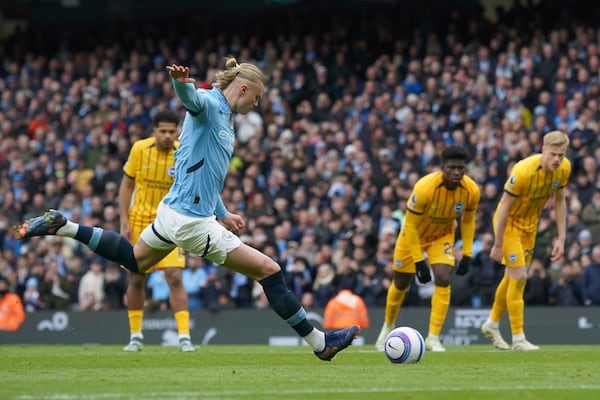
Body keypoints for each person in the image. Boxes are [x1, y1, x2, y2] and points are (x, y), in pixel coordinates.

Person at [12, 57, 359, 361]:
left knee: (136, 261)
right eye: (257, 96)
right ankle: (319, 343)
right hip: (192, 223)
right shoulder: (209, 102)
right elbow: (191, 100)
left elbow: (206, 173)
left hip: (173, 212)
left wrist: (222, 211)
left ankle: (64, 225)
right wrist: (181, 84)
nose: (257, 103)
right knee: (269, 271)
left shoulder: (226, 119)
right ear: (243, 89)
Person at [374, 145, 480, 352]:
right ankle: (388, 326)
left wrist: (467, 253)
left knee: (443, 277)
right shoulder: (424, 188)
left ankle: (433, 337)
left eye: (461, 168)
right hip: (412, 236)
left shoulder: (471, 190)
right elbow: (410, 225)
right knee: (401, 282)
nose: (457, 172)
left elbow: (468, 222)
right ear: (442, 168)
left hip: (442, 235)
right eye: (452, 168)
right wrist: (419, 261)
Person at [480, 130, 571, 351]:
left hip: (530, 227)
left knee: (512, 276)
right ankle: (519, 338)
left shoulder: (564, 169)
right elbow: (503, 208)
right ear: (543, 150)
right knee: (520, 275)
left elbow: (559, 202)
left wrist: (561, 236)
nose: (557, 159)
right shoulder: (522, 170)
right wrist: (498, 243)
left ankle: (491, 324)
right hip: (509, 224)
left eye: (561, 154)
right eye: (553, 154)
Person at [119, 109, 196, 352]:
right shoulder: (139, 149)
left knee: (174, 276)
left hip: (171, 222)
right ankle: (135, 336)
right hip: (140, 221)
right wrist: (124, 220)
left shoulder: (183, 152)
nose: (166, 135)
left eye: (171, 131)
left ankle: (184, 337)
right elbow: (127, 184)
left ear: (177, 132)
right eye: (162, 131)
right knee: (137, 278)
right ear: (154, 131)